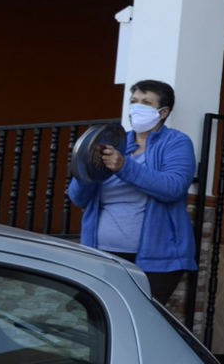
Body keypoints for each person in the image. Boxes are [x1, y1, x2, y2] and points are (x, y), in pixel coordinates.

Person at [68, 80, 198, 304]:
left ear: (163, 112)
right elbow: (78, 198)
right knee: (99, 317)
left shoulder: (176, 142)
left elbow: (173, 188)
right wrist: (87, 167)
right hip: (102, 255)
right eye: (133, 102)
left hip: (156, 260)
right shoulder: (113, 143)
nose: (137, 107)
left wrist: (123, 166)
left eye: (146, 102)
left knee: (144, 317)